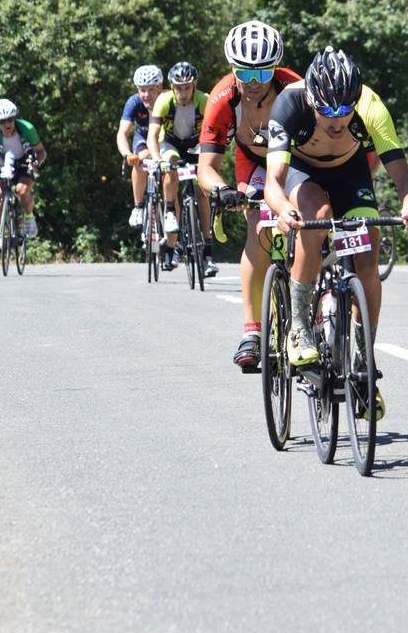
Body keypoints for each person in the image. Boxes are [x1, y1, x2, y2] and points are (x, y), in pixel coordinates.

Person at [265, 47, 408, 417]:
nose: (338, 120)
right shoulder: (289, 106)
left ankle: (362, 358)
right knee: (316, 214)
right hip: (301, 173)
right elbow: (273, 181)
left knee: (367, 256)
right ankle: (301, 327)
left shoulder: (371, 107)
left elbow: (402, 176)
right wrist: (283, 209)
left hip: (350, 173)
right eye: (327, 111)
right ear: (311, 99)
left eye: (345, 110)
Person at [197, 20, 302, 372]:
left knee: (308, 221)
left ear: (277, 68)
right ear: (232, 69)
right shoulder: (222, 98)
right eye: (245, 72)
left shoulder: (295, 88)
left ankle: (311, 313)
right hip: (252, 163)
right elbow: (205, 167)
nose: (254, 83)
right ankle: (252, 332)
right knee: (257, 229)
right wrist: (223, 190)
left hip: (296, 161)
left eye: (263, 72)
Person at [147, 61, 214, 274]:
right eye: (178, 87)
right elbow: (152, 135)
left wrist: (210, 162)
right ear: (172, 86)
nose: (183, 92)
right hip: (170, 143)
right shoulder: (164, 100)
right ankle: (169, 211)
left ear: (194, 85)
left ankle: (208, 253)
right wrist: (158, 159)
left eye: (187, 87)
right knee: (171, 168)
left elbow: (214, 134)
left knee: (203, 191)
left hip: (196, 145)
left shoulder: (205, 100)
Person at [0, 98, 48, 251]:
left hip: (25, 160)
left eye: (10, 119)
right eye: (2, 121)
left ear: (15, 118)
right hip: (3, 160)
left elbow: (41, 152)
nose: (7, 124)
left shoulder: (27, 128)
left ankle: (29, 217)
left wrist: (36, 163)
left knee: (22, 191)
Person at [117, 65, 162, 229]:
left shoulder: (167, 99)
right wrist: (127, 154)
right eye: (142, 90)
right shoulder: (134, 102)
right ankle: (138, 206)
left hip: (164, 138)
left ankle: (171, 214)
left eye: (151, 89)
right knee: (138, 162)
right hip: (142, 137)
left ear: (160, 87)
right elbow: (122, 132)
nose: (146, 94)